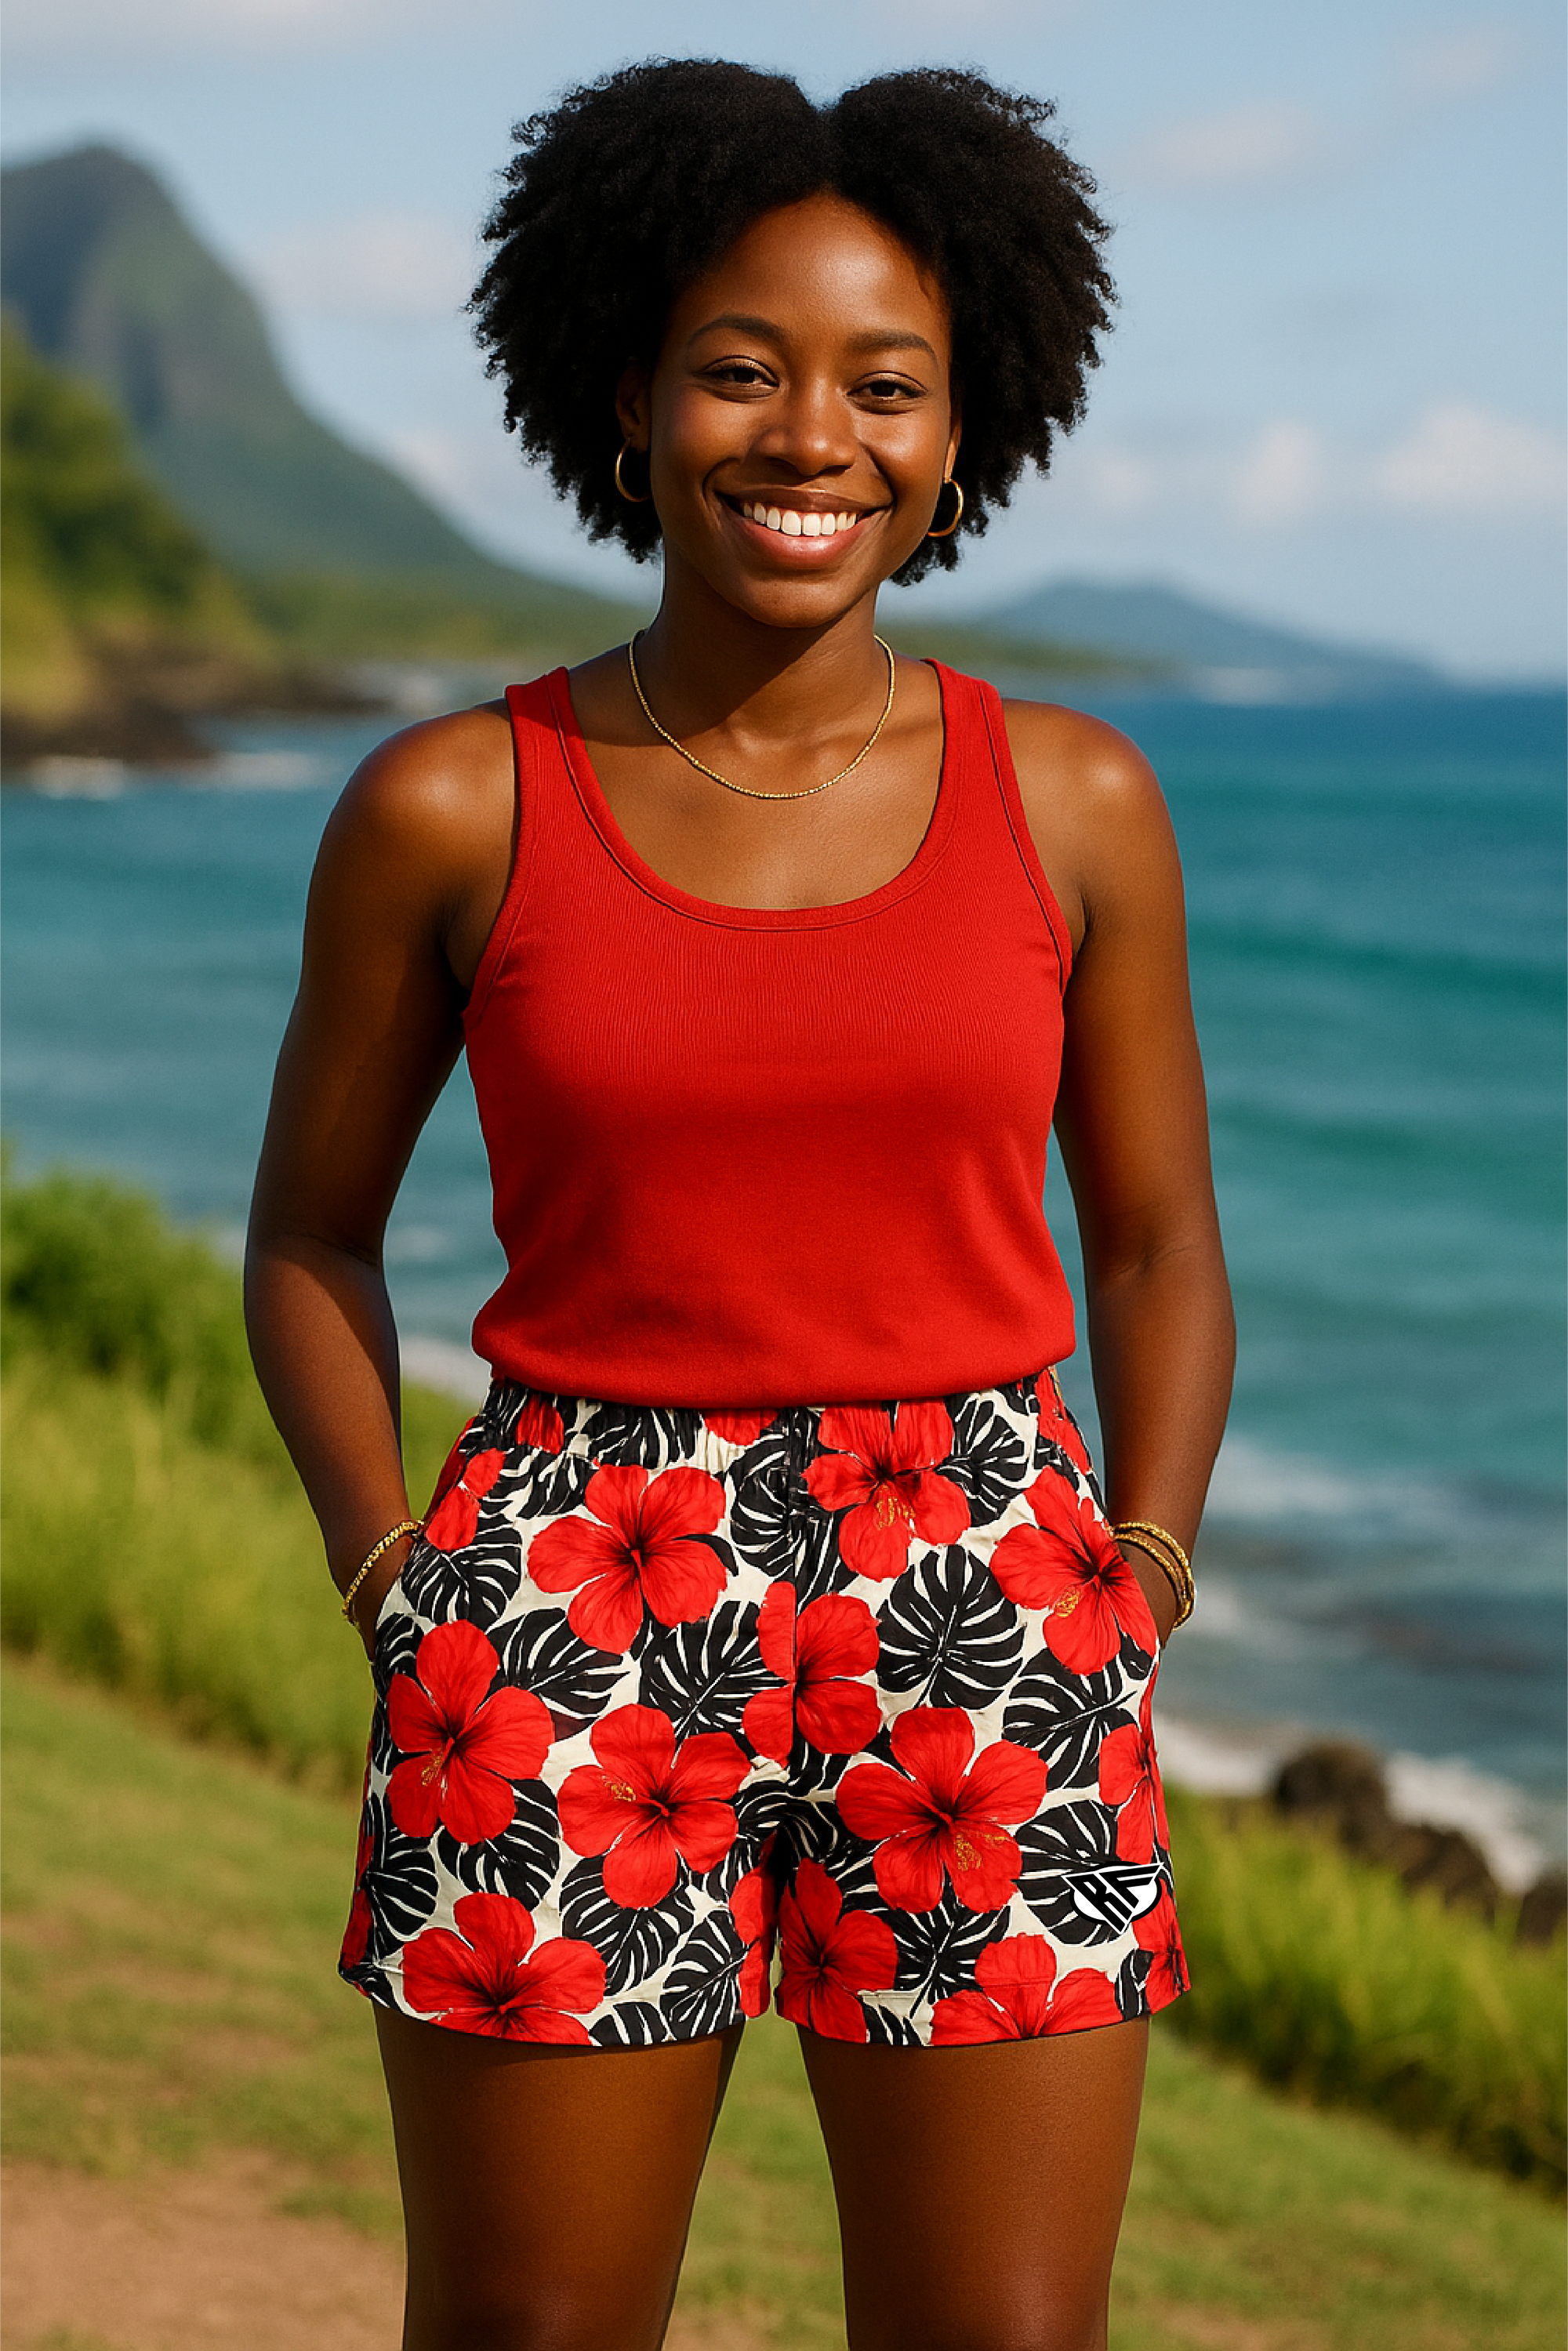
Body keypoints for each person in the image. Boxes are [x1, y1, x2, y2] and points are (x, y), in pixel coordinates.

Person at [245, 58, 1234, 2351]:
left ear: (961, 432)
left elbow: (1163, 1236)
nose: (813, 438)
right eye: (740, 371)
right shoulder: (452, 800)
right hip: (570, 1590)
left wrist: (1138, 1570)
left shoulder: (1075, 797)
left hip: (993, 1597)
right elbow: (309, 1229)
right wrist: (402, 1575)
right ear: (627, 401)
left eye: (884, 386)